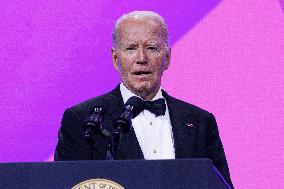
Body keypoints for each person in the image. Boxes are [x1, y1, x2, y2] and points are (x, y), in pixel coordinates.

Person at [54, 11, 233, 188]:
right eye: (131, 48)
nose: (141, 58)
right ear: (116, 59)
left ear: (167, 57)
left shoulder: (200, 121)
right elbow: (67, 184)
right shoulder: (82, 120)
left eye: (152, 48)